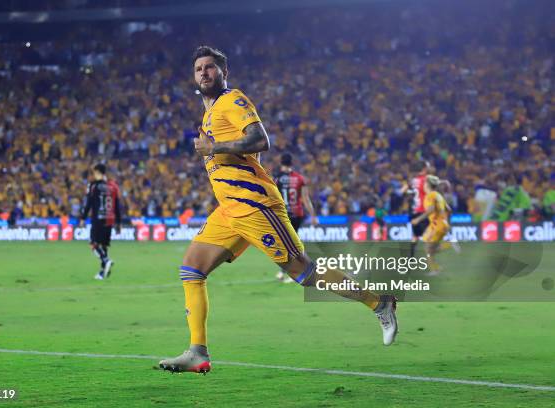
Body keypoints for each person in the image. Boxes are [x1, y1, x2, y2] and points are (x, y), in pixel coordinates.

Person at [158, 46, 398, 374]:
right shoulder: (209, 113)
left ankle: (379, 302)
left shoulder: (233, 100)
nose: (203, 72)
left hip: (256, 205)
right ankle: (197, 352)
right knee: (191, 270)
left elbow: (260, 139)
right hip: (228, 210)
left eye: (210, 67)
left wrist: (216, 147)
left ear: (222, 72)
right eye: (198, 68)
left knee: (304, 273)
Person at [272, 153, 318, 282]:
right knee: (292, 242)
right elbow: (306, 199)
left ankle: (293, 270)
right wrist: (313, 215)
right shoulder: (299, 178)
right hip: (297, 214)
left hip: (282, 214)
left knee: (285, 243)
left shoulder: (277, 178)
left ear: (281, 162)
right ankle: (296, 269)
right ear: (292, 163)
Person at [80, 163, 121, 280]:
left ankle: (106, 260)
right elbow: (117, 206)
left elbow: (88, 203)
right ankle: (103, 272)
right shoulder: (113, 186)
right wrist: (118, 223)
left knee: (93, 244)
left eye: (93, 173)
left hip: (98, 218)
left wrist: (83, 218)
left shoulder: (93, 186)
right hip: (110, 219)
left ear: (97, 172)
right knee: (103, 246)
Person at [411, 175, 451, 275]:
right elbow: (449, 209)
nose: (423, 185)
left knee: (428, 249)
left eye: (424, 183)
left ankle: (448, 245)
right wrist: (445, 221)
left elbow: (431, 209)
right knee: (428, 247)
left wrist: (418, 219)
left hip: (437, 225)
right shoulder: (438, 195)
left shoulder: (430, 196)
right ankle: (436, 267)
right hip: (440, 224)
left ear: (427, 185)